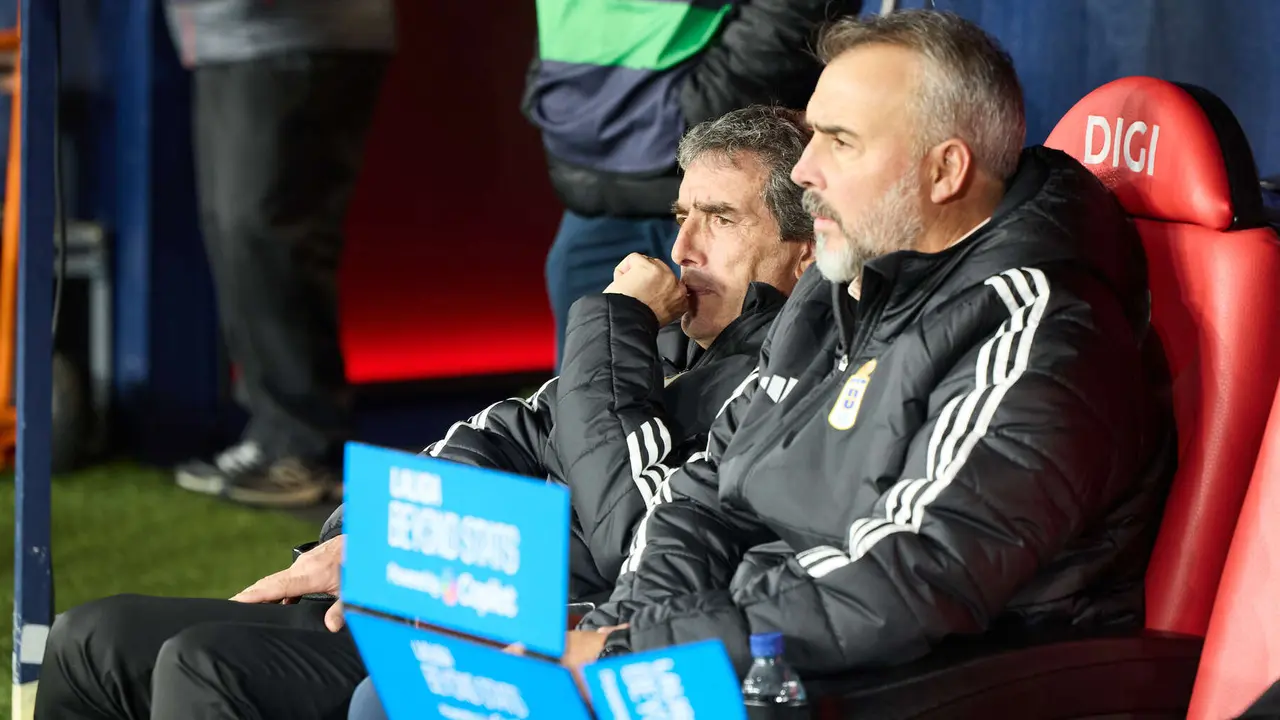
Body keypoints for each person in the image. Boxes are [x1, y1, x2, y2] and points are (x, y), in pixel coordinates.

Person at [33, 105, 817, 720]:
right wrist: (378, 544)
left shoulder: (782, 374)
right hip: (438, 587)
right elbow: (493, 436)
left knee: (203, 662)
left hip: (535, 629)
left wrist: (613, 328)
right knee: (86, 640)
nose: (683, 246)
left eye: (719, 219)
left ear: (804, 250)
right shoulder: (662, 344)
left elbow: (636, 536)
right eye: (680, 214)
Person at [559, 10, 1175, 676]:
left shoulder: (1042, 331)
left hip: (940, 682)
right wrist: (633, 627)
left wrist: (640, 651)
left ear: (946, 171)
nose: (804, 170)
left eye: (840, 142)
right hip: (774, 653)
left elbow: (906, 576)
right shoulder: (844, 281)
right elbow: (706, 493)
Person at [528, 0, 861, 366]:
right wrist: (564, 100)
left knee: (740, 385)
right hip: (592, 194)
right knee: (583, 380)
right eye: (684, 220)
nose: (680, 251)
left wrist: (698, 110)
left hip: (726, 166)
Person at [166, 0, 395, 508]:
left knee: (266, 238)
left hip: (292, 35)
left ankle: (304, 445)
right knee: (239, 239)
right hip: (237, 39)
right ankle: (275, 435)